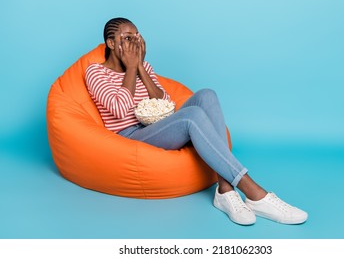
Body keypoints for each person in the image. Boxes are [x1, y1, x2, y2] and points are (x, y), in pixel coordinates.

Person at [85, 17, 308, 225]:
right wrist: (131, 68)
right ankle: (255, 193)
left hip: (155, 125)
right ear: (111, 44)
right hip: (130, 135)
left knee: (206, 95)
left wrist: (141, 68)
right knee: (192, 116)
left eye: (136, 37)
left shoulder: (145, 68)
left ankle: (225, 189)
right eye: (126, 38)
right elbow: (118, 108)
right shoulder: (96, 72)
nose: (133, 43)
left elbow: (164, 103)